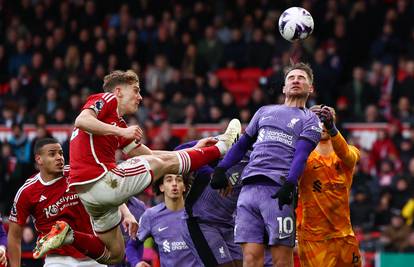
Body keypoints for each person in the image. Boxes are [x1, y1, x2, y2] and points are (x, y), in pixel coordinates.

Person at [35, 70, 241, 264]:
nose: (140, 97)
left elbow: (149, 155)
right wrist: (121, 134)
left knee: (115, 254)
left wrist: (194, 150)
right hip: (101, 180)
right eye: (135, 90)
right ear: (118, 91)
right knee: (161, 165)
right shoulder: (106, 99)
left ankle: (68, 235)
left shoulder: (118, 124)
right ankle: (224, 145)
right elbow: (82, 120)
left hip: (90, 196)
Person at [211, 62, 322, 267]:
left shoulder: (311, 120)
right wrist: (221, 168)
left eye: (301, 78)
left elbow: (301, 155)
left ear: (310, 88)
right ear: (283, 87)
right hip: (248, 190)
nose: (296, 80)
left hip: (277, 191)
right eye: (291, 78)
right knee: (251, 259)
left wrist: (290, 183)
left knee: (281, 261)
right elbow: (243, 143)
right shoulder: (264, 111)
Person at [8, 138, 134, 267]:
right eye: (52, 154)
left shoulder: (77, 173)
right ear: (39, 159)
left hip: (93, 255)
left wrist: (127, 214)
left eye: (61, 153)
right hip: (57, 259)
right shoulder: (27, 191)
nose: (59, 158)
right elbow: (14, 236)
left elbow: (107, 192)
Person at [296, 105, 362, 266]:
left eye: (327, 119)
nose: (323, 124)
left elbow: (349, 157)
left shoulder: (349, 152)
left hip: (345, 234)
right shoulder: (302, 157)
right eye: (318, 120)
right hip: (315, 238)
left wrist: (332, 130)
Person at [130, 173, 204, 267]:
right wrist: (136, 262)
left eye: (179, 180)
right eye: (169, 180)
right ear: (161, 187)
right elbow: (131, 246)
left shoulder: (198, 212)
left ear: (184, 187)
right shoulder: (151, 216)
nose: (174, 183)